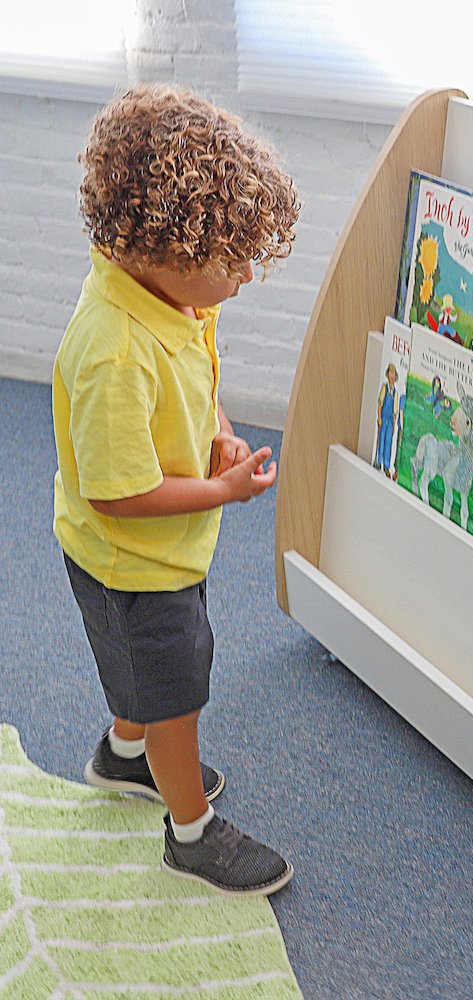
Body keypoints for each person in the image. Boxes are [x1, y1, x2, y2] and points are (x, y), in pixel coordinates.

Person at [53, 85, 300, 896]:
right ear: (165, 250)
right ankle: (191, 836)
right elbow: (117, 495)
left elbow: (199, 377)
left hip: (159, 556)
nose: (246, 276)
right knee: (176, 698)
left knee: (150, 677)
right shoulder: (115, 351)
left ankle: (124, 754)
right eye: (232, 261)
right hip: (131, 565)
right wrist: (222, 491)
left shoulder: (171, 298)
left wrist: (218, 428)